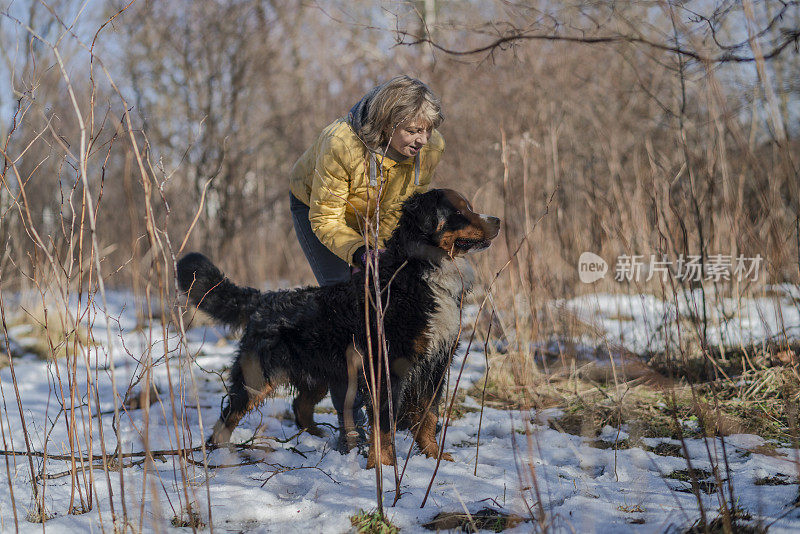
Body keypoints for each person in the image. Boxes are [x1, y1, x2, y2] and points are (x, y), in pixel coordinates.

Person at [288, 75, 445, 452]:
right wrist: (359, 253)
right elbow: (326, 218)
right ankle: (351, 422)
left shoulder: (431, 147)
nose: (423, 139)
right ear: (388, 122)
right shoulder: (339, 143)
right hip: (320, 212)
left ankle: (396, 406)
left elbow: (407, 210)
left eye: (427, 130)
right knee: (348, 312)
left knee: (392, 308)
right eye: (413, 130)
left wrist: (386, 256)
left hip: (377, 221)